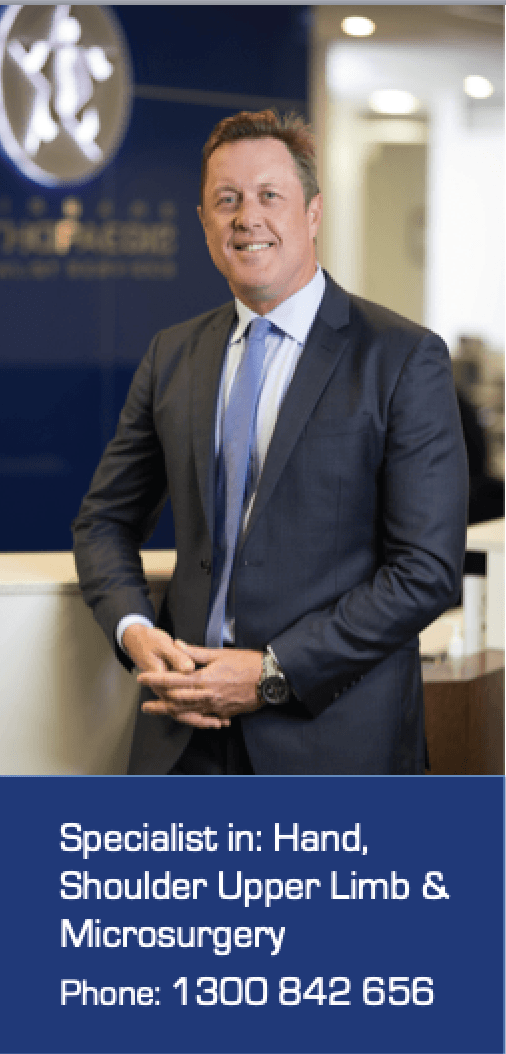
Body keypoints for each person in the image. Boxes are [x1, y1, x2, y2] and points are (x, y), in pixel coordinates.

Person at [72, 109, 468, 775]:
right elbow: (104, 521)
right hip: (184, 738)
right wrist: (136, 633)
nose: (246, 218)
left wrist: (270, 674)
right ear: (203, 222)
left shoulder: (402, 358)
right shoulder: (173, 355)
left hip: (333, 745)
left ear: (313, 213)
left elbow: (425, 570)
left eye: (268, 196)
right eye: (226, 200)